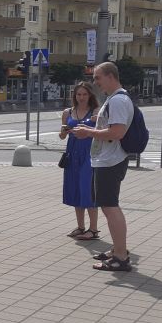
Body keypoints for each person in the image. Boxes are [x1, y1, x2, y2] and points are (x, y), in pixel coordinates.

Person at [72, 62, 134, 272]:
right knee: (109, 207)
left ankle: (120, 257)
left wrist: (88, 132)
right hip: (106, 159)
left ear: (110, 76)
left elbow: (117, 132)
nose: (95, 82)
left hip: (110, 161)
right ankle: (118, 250)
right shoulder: (114, 99)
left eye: (97, 78)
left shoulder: (118, 100)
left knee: (110, 207)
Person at [59, 82, 99, 240]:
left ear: (90, 95)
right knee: (75, 188)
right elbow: (62, 136)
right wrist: (64, 131)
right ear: (74, 96)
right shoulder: (68, 112)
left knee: (87, 190)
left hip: (89, 154)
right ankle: (81, 227)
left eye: (84, 94)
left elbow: (103, 132)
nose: (81, 97)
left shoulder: (96, 111)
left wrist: (92, 127)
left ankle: (93, 229)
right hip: (72, 154)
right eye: (78, 94)